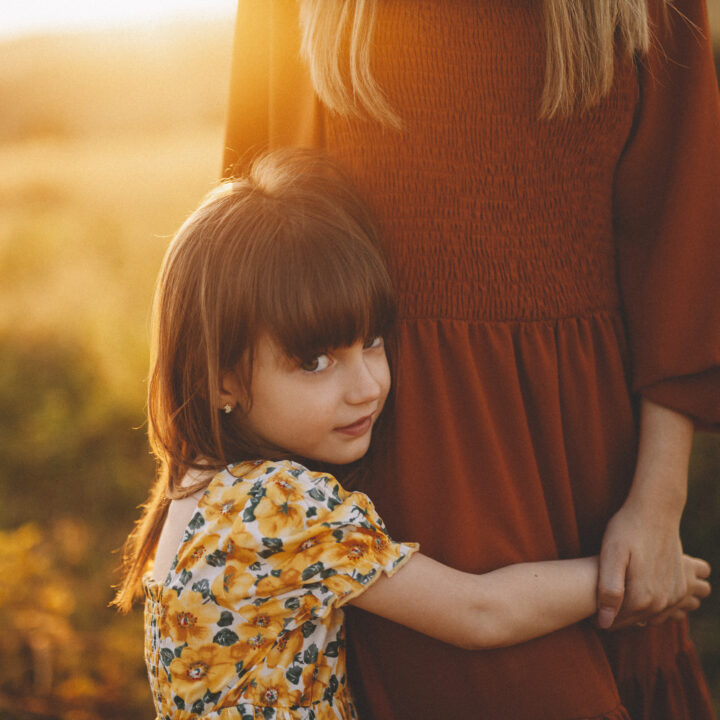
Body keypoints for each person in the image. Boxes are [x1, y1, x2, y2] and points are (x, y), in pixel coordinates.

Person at [222, 2, 720, 718]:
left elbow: (685, 239)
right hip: (384, 473)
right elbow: (249, 252)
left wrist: (658, 501)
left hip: (588, 471)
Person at [112, 150, 709, 720]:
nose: (367, 385)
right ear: (222, 382)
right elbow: (480, 613)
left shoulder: (191, 489)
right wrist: (631, 578)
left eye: (371, 341)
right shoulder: (278, 504)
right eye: (314, 362)